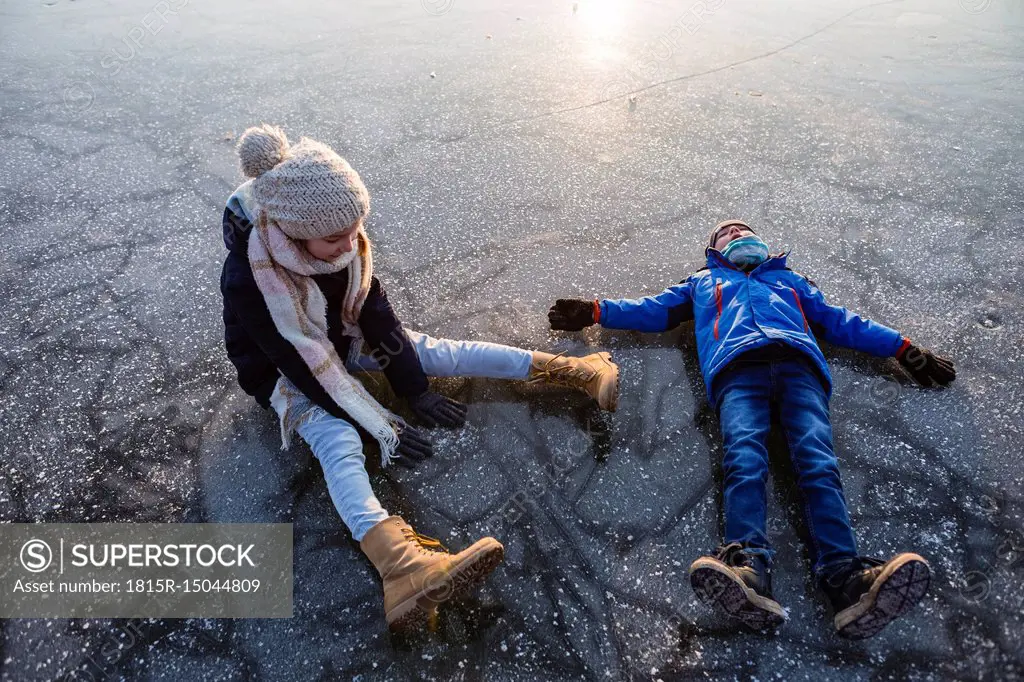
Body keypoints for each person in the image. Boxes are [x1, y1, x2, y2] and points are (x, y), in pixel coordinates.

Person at [219, 124, 619, 632]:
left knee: (433, 351)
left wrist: (412, 386)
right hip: (281, 368)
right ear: (293, 231)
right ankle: (401, 568)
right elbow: (300, 360)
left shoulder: (342, 244)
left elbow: (376, 315)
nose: (350, 244)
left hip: (337, 335)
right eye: (334, 237)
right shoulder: (252, 276)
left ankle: (575, 370)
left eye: (355, 229)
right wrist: (374, 420)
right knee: (337, 438)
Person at [547, 219, 955, 639]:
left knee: (818, 463)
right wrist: (595, 310)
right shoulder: (703, 282)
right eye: (726, 233)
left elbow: (839, 321)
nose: (737, 234)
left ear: (764, 244)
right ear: (713, 249)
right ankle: (750, 570)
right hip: (737, 372)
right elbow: (654, 310)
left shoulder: (790, 280)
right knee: (744, 457)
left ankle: (847, 579)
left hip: (800, 371)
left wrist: (904, 349)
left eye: (744, 230)